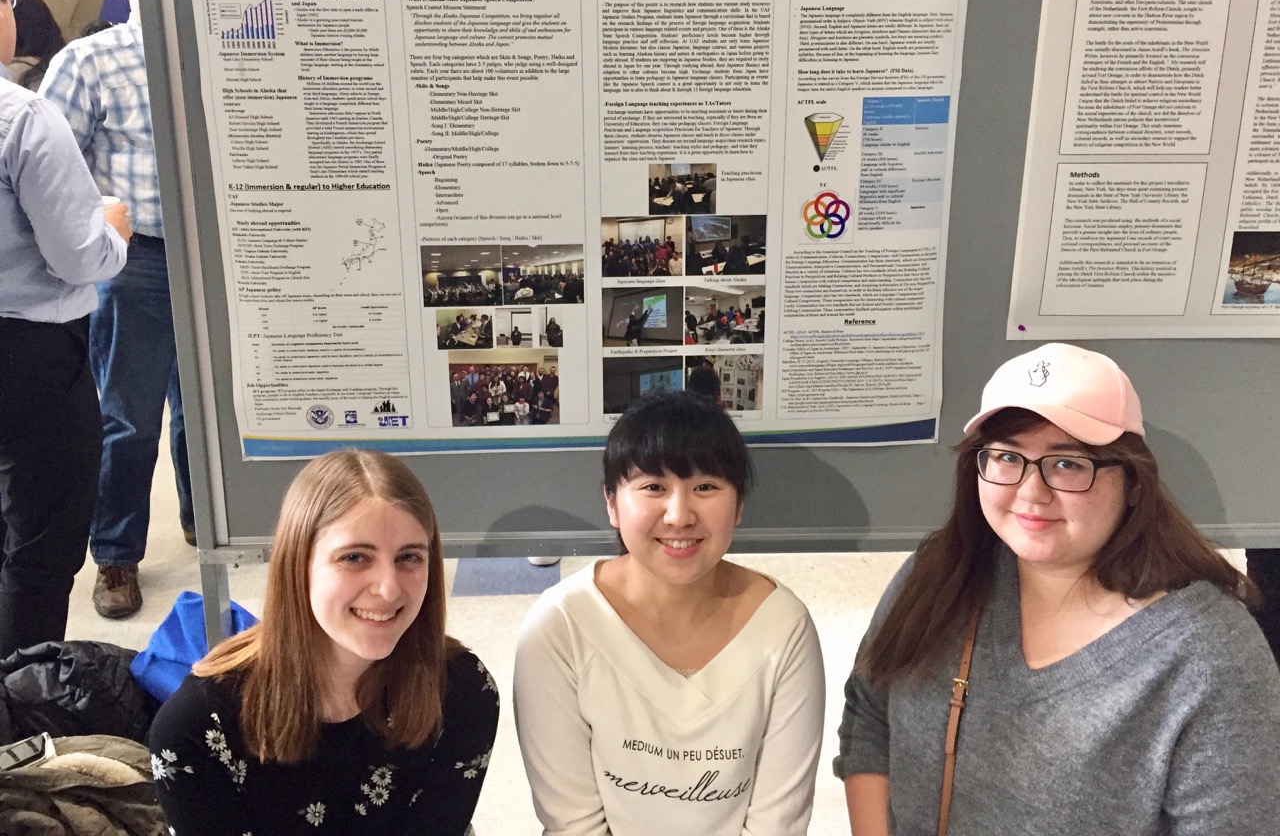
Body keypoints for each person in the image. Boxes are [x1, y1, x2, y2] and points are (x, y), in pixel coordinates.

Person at [835, 343, 1280, 835]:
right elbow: (870, 717)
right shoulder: (942, 573)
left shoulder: (1208, 654)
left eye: (1068, 463)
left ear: (1133, 483)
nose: (1031, 492)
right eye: (1007, 457)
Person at [514, 392, 824, 835]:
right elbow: (573, 825)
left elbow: (778, 824)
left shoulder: (783, 628)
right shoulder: (560, 627)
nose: (679, 515)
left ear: (738, 506)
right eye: (653, 486)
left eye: (705, 487)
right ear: (611, 504)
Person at [148, 449, 499, 834]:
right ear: (299, 564)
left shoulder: (462, 692)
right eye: (355, 557)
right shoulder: (196, 730)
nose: (388, 588)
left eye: (409, 557)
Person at [39, 0, 194, 618]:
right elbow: (46, 173)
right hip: (138, 262)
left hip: (220, 263)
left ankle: (208, 522)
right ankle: (117, 555)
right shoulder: (90, 63)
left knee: (208, 414)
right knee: (128, 416)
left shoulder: (218, 48)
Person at [0, 0, 130, 657]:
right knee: (41, 550)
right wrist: (112, 227)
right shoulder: (20, 116)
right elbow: (79, 257)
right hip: (29, 357)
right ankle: (16, 722)